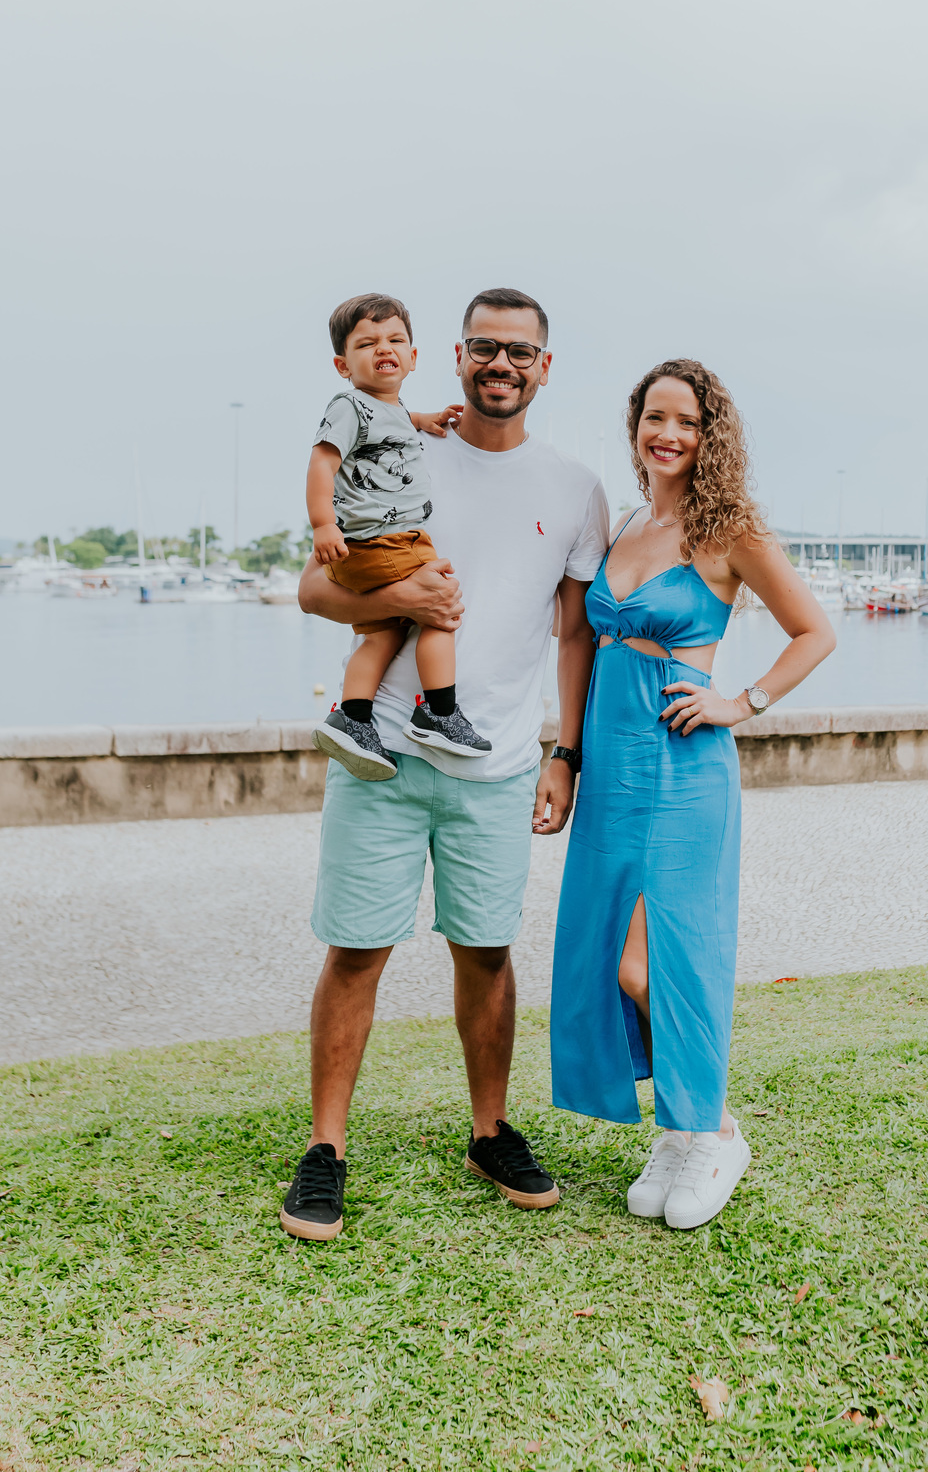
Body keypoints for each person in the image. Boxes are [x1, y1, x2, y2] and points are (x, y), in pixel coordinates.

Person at [281, 287, 609, 1241]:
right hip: (382, 753)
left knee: (489, 950)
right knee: (355, 949)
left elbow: (574, 635)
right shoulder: (396, 440)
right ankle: (326, 1149)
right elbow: (313, 586)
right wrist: (411, 599)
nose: (500, 365)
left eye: (520, 352)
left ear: (544, 369)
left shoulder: (576, 489)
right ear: (455, 358)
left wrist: (565, 752)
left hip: (500, 762)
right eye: (483, 348)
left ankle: (490, 1130)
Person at [550, 358, 836, 1230]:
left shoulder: (729, 528)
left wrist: (736, 702)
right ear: (636, 426)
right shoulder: (628, 521)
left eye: (687, 421)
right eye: (654, 417)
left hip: (682, 768)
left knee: (661, 958)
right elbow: (578, 640)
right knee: (609, 953)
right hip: (611, 766)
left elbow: (814, 632)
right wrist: (564, 753)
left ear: (711, 435)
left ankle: (714, 1130)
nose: (667, 433)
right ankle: (677, 1126)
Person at [307, 291, 491, 776]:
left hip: (375, 543)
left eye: (395, 339)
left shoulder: (385, 408)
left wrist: (422, 419)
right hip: (383, 539)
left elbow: (389, 424)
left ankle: (353, 715)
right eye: (367, 343)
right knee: (440, 606)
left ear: (412, 357)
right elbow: (322, 461)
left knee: (383, 633)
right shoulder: (347, 405)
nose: (383, 348)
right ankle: (439, 712)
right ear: (342, 364)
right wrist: (323, 524)